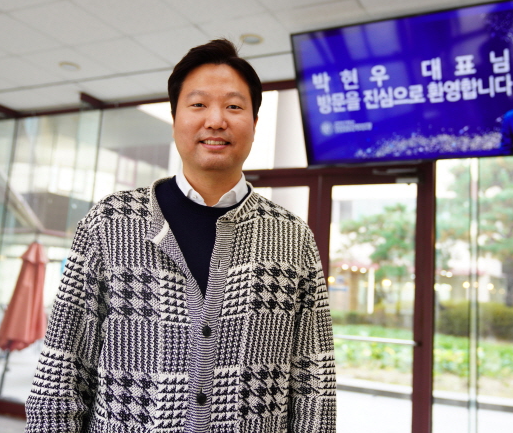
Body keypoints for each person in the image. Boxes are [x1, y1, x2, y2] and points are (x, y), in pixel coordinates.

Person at [25, 39, 336, 433]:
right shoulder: (109, 222)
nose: (216, 120)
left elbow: (314, 382)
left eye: (234, 107)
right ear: (175, 118)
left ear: (255, 124)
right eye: (198, 104)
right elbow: (61, 370)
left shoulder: (292, 236)